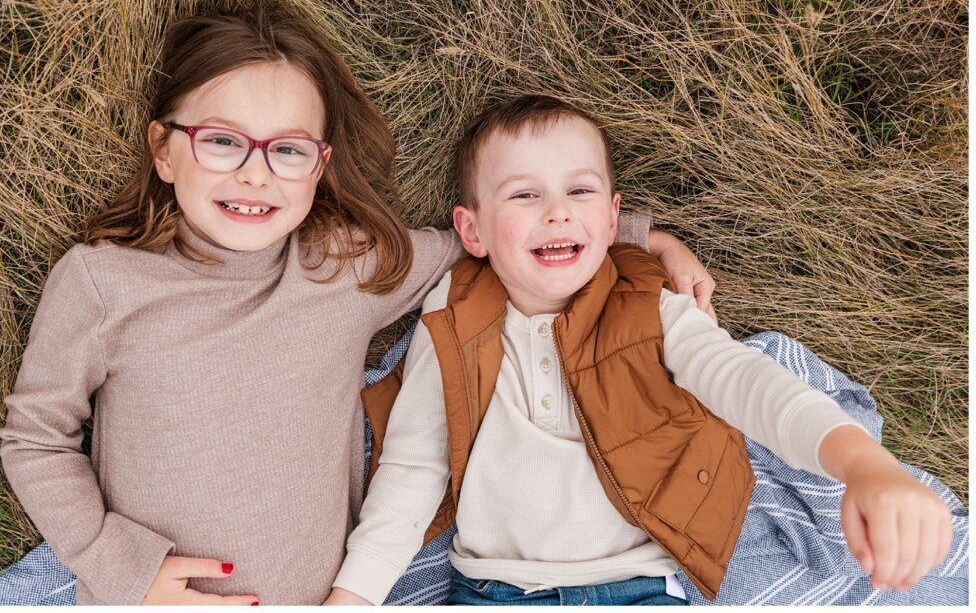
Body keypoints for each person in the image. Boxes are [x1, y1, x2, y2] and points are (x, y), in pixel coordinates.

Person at [0, 10, 713, 606]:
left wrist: (645, 236)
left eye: (288, 151)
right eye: (221, 141)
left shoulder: (340, 266)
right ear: (163, 149)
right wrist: (120, 565)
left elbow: (496, 236)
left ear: (320, 166)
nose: (254, 172)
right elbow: (35, 438)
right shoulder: (103, 282)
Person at [324, 95, 954, 606]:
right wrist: (352, 600)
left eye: (580, 192)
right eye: (524, 195)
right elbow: (412, 469)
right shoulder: (451, 318)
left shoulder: (646, 301)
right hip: (497, 591)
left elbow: (744, 381)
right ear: (473, 231)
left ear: (611, 217)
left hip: (643, 588)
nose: (557, 214)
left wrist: (864, 466)